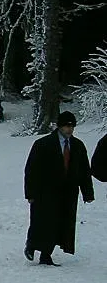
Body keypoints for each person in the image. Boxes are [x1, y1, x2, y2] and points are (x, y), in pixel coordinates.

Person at [23, 111, 94, 266]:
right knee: (42, 221)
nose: (69, 129)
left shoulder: (78, 146)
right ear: (59, 126)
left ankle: (46, 255)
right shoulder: (43, 144)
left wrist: (87, 193)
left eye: (72, 126)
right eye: (66, 126)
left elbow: (84, 171)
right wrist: (30, 193)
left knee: (59, 223)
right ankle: (31, 245)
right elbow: (31, 170)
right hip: (45, 191)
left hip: (67, 193)